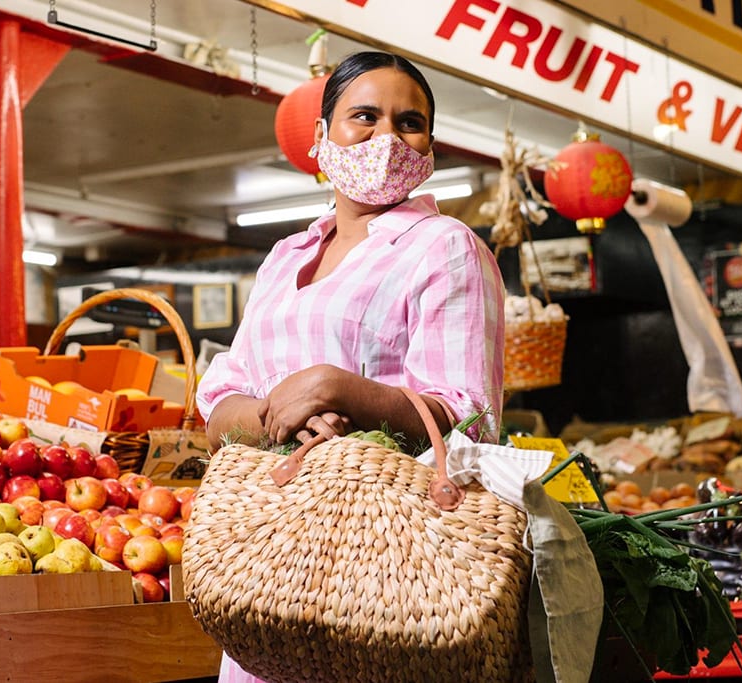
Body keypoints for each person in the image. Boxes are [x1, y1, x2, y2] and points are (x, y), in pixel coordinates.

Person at [195, 50, 505, 681]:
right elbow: (223, 397)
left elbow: (470, 419)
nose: (387, 136)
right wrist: (278, 416)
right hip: (266, 563)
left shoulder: (447, 248)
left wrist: (339, 391)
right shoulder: (285, 256)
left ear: (430, 144)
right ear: (321, 137)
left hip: (384, 573)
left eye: (409, 122)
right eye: (364, 116)